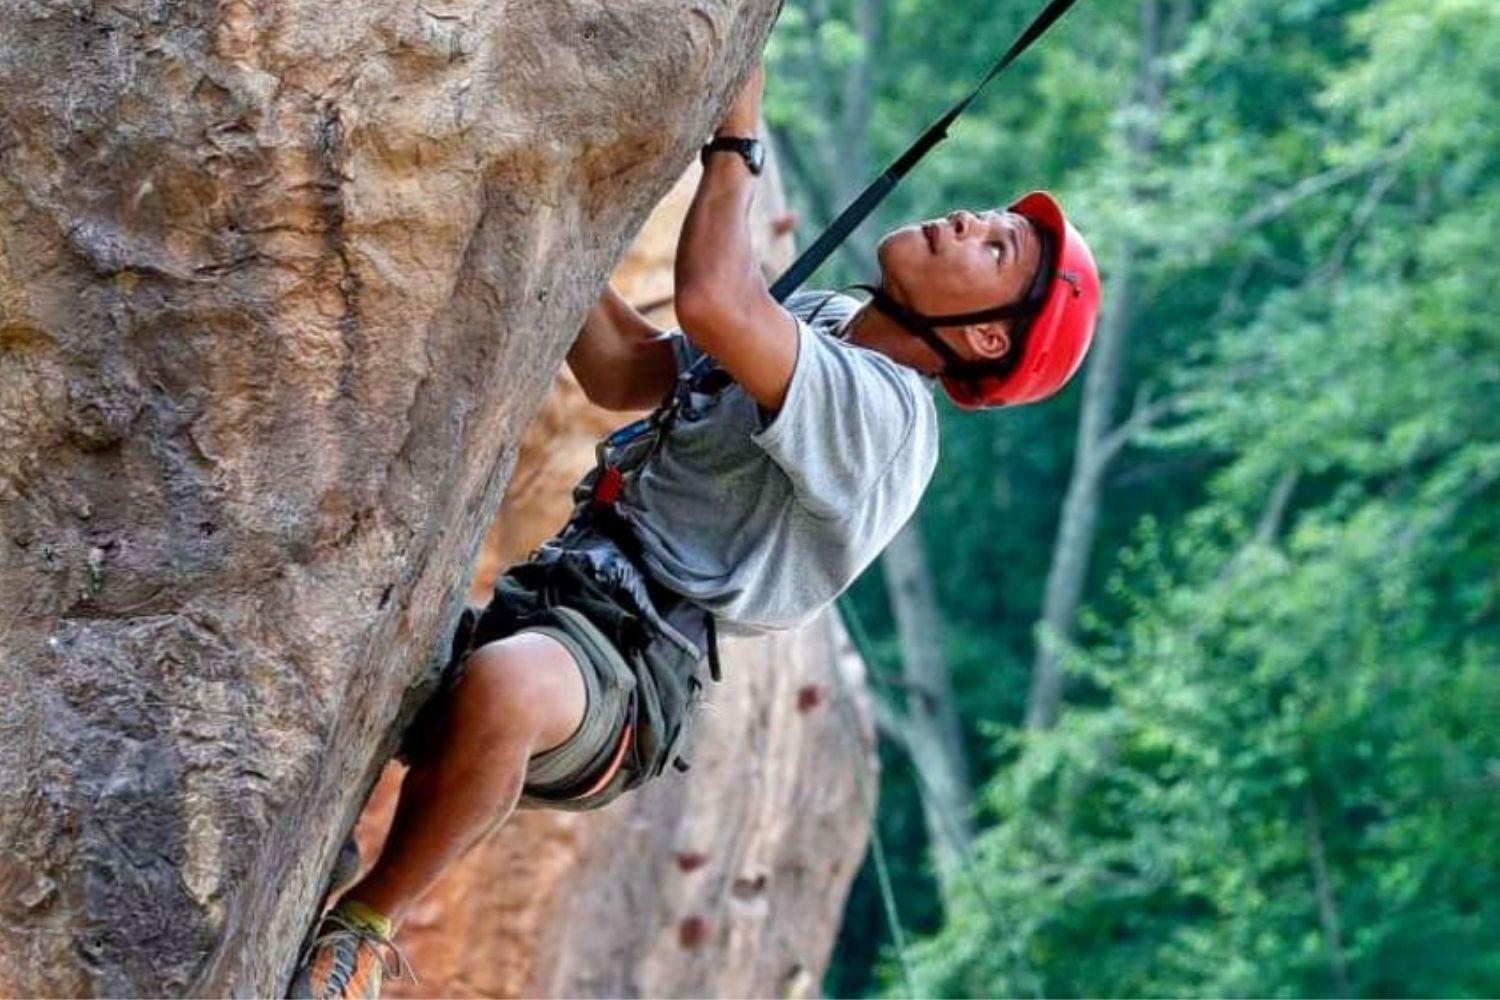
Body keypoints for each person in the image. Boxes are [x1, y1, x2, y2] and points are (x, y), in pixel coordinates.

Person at [289, 61, 1100, 1000]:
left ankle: (363, 930)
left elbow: (719, 303)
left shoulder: (886, 420)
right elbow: (625, 374)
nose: (966, 220)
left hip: (632, 672)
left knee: (507, 685)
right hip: (556, 595)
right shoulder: (830, 321)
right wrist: (547, 215)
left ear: (987, 337)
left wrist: (735, 146)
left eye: (994, 250)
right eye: (986, 216)